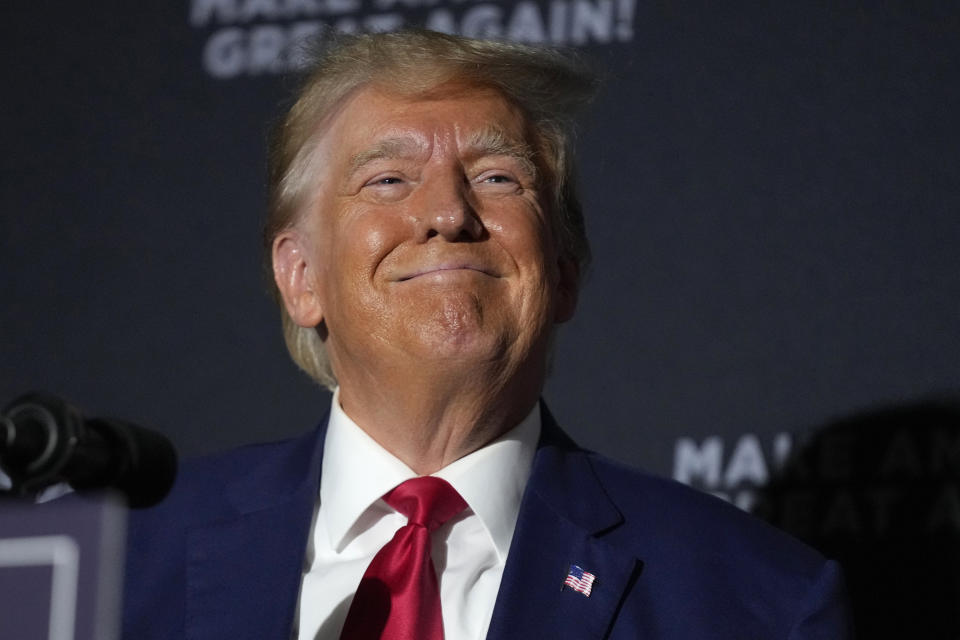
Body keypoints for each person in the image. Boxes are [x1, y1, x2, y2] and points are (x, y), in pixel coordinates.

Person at [122, 29, 852, 639]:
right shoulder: (118, 568)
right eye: (388, 180)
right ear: (301, 277)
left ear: (564, 273)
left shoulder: (758, 604)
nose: (448, 213)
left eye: (499, 177)